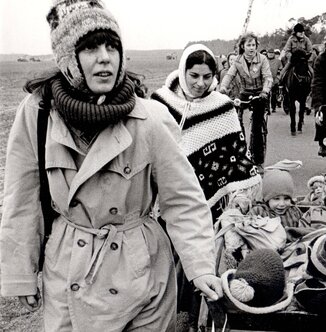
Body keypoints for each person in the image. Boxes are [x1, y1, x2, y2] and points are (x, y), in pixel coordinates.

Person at [0, 1, 222, 331]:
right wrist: (19, 274)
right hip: (69, 266)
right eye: (90, 48)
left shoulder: (149, 118)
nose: (105, 56)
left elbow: (183, 199)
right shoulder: (38, 114)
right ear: (68, 59)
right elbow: (22, 198)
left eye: (112, 46)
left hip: (141, 272)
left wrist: (201, 266)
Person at [152, 44, 262, 223]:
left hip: (208, 204)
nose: (200, 83)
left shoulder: (222, 107)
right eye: (194, 76)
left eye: (207, 77)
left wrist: (239, 195)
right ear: (182, 71)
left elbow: (236, 155)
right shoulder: (160, 102)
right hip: (166, 193)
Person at [220, 33, 273, 171]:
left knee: (256, 128)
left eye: (253, 45)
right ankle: (239, 154)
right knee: (237, 122)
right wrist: (223, 88)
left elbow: (268, 77)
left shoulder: (262, 59)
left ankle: (259, 160)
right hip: (245, 92)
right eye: (248, 45)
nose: (251, 48)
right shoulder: (237, 61)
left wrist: (265, 91)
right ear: (242, 46)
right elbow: (229, 75)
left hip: (260, 93)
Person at [249, 161, 303, 228]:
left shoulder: (294, 211)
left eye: (286, 198)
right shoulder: (258, 212)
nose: (282, 204)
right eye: (276, 199)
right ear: (267, 198)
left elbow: (303, 229)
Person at [266, 48, 283, 113]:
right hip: (266, 81)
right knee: (267, 95)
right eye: (269, 53)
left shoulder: (278, 61)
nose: (270, 54)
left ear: (274, 54)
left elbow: (280, 70)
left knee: (273, 95)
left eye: (272, 53)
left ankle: (273, 107)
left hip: (275, 80)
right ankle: (267, 108)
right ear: (267, 54)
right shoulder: (265, 60)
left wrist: (277, 79)